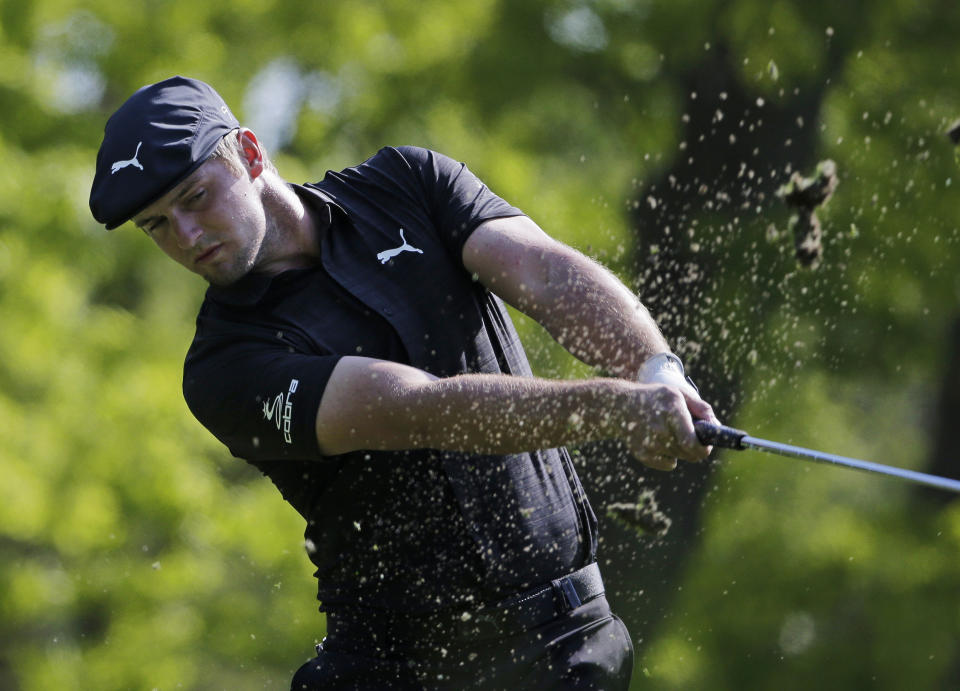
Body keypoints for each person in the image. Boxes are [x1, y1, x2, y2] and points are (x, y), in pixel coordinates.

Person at [90, 76, 719, 690]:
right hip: (400, 671)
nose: (187, 236)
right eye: (158, 225)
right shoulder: (222, 368)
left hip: (573, 643)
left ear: (251, 154)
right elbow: (423, 409)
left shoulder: (408, 184)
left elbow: (548, 276)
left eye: (195, 198)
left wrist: (655, 369)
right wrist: (615, 409)